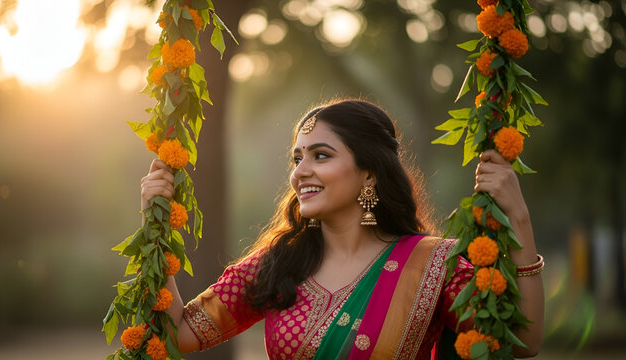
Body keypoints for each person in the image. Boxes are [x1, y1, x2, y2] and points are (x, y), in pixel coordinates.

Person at [140, 99, 544, 359]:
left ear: (368, 173)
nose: (300, 172)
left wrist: (519, 219)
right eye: (297, 158)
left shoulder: (433, 265)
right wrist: (155, 226)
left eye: (321, 155)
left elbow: (521, 340)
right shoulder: (278, 264)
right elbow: (176, 335)